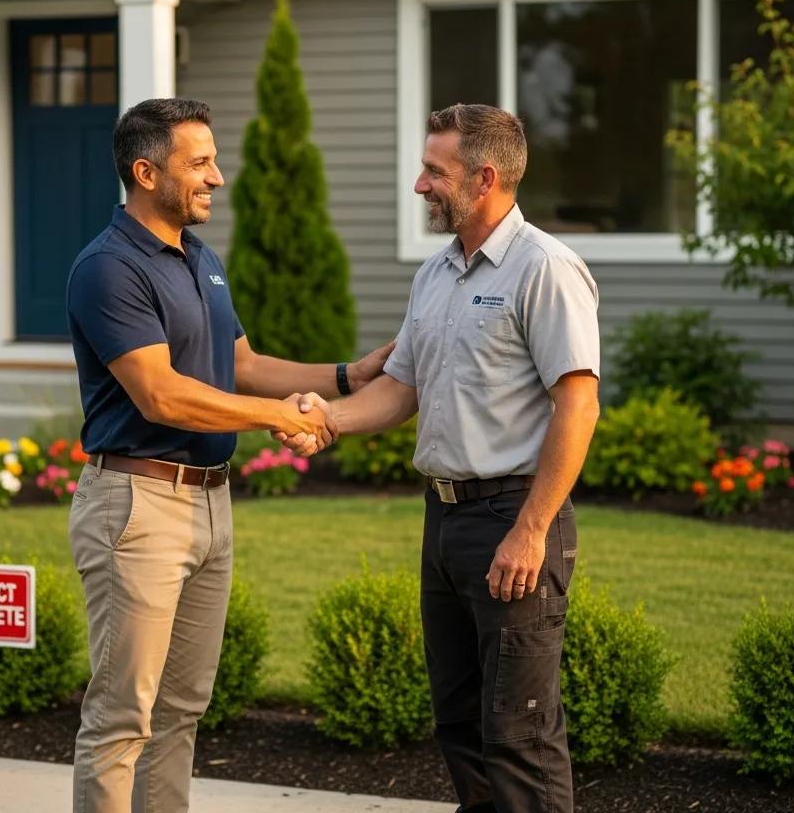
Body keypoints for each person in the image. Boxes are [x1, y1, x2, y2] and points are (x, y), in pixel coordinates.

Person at [64, 97, 391, 813]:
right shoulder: (108, 269)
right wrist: (280, 418)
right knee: (124, 718)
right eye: (200, 162)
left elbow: (237, 364)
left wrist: (344, 378)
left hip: (209, 502)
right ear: (146, 172)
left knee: (181, 708)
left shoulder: (199, 258)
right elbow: (161, 395)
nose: (218, 177)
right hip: (138, 506)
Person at [309, 103, 600, 813]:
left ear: (486, 177)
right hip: (444, 524)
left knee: (520, 734)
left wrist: (530, 531)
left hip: (514, 518)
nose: (420, 186)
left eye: (434, 172)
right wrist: (326, 421)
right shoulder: (435, 275)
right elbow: (401, 387)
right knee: (461, 725)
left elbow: (578, 405)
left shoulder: (546, 269)